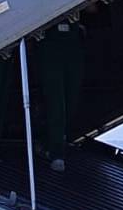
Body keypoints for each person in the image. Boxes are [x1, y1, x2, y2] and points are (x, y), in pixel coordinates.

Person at [35, 12, 87, 173]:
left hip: (73, 46)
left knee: (71, 101)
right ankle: (56, 153)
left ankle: (49, 141)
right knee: (56, 102)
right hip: (50, 44)